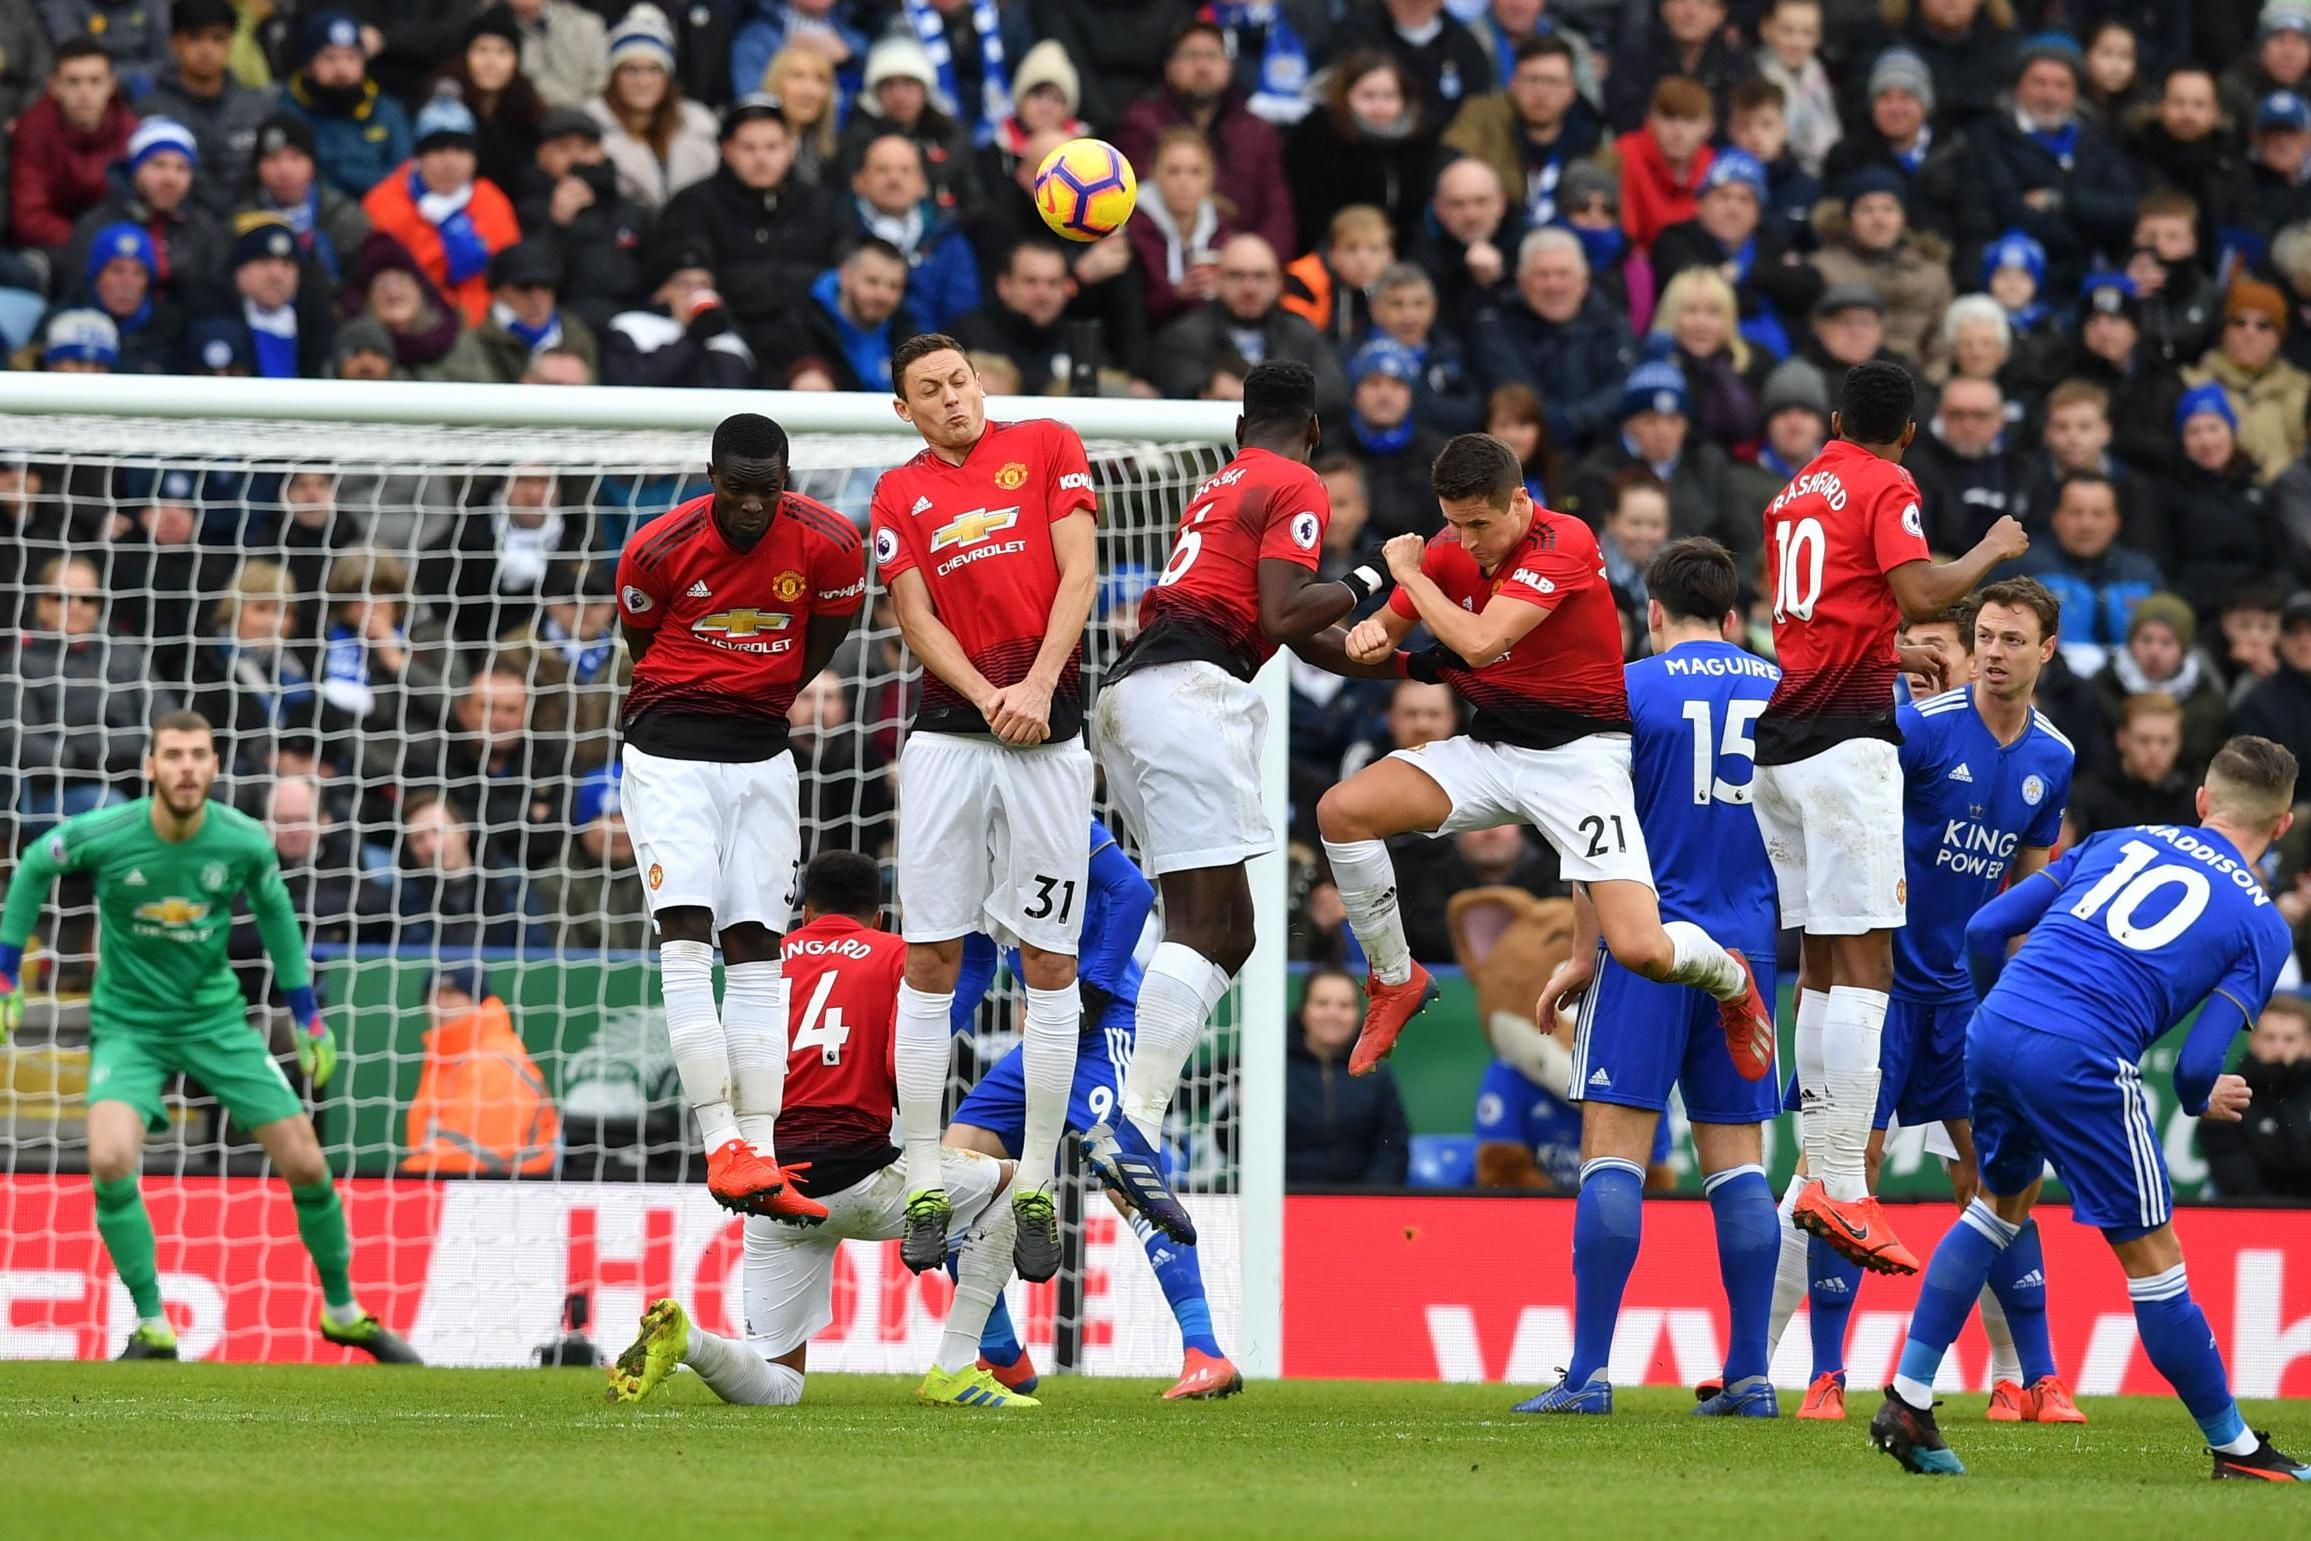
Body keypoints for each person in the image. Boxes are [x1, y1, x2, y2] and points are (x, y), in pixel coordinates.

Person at [1871, 736, 2311, 1482]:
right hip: (2080, 1057)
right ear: (2279, 827)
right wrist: (2204, 1098)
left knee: (1994, 1207)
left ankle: (1909, 1398)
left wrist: (1997, 1014)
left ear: (2202, 801)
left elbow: (1983, 930)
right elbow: (2200, 1064)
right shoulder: (2262, 924)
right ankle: (2236, 1448)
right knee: (2154, 1260)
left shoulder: (2119, 840)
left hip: (1996, 1025)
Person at [1304, 433, 1774, 1078]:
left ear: (1520, 503)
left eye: (1480, 524)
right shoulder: (1446, 551)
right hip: (1496, 748)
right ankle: (1394, 979)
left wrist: (1409, 571)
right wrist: (1367, 635)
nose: (1466, 540)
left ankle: (1731, 980)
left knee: (1642, 950)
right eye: (1453, 524)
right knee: (1342, 811)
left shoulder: (1566, 541)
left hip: (1581, 760)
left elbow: (1478, 641)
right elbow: (1386, 632)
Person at [0, 711, 418, 1365]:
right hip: (129, 1028)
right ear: (152, 767)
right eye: (173, 755)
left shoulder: (244, 839)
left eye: (198, 754)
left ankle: (342, 1311)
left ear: (215, 766)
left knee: (307, 1161)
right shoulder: (108, 833)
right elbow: (30, 864)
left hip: (217, 1024)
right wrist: (7, 975)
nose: (186, 766)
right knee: (109, 1159)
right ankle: (151, 1322)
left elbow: (278, 914)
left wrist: (307, 1013)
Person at [1772, 579, 2082, 1424]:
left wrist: (2026, 995)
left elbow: (2027, 889)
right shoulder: (1919, 726)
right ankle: (1824, 1376)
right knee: (1848, 1173)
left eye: (2012, 639)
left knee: (1996, 1175)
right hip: (1880, 989)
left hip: (1964, 1001)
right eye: (1984, 635)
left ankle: (2033, 1376)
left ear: (2046, 649)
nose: (1993, 650)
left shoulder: (2052, 757)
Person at [1092, 359, 1383, 1243]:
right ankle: (1130, 1128)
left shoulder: (1220, 483)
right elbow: (1288, 612)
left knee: (1228, 928)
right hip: (1188, 695)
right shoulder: (1295, 479)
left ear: (1237, 427)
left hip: (1133, 694)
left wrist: (1402, 651)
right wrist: (1380, 577)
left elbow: (1296, 631)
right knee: (1207, 926)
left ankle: (1129, 1121)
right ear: (1314, 433)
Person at [1752, 358, 2029, 1277]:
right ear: (1907, 430)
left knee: (1825, 960)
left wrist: (1887, 639)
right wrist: (1991, 550)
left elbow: (1819, 605)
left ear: (1833, 417)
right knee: (1870, 953)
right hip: (1844, 742)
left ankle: (1816, 1171)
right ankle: (1843, 1183)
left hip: (1782, 745)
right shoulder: (1887, 479)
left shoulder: (1793, 489)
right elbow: (1918, 592)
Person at [604, 850, 1033, 1412]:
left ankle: (690, 1341)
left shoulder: (761, 962)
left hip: (772, 1184)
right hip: (866, 1178)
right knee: (1018, 1181)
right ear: (878, 917)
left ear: (804, 913)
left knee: (778, 1386)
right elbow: (901, 1069)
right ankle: (958, 1365)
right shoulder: (897, 956)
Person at [1511, 537, 1784, 1418]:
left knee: (1614, 1152)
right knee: (1736, 1158)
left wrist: (1587, 950)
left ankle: (1589, 1372)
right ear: (1734, 617)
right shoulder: (1783, 692)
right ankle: (1748, 1374)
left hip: (1648, 943)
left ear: (1652, 614)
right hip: (1747, 950)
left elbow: (1594, 832)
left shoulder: (1624, 690)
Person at [868, 335, 1101, 1283]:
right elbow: (915, 618)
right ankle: (924, 1176)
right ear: (905, 410)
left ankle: (1037, 1180)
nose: (953, 398)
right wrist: (987, 695)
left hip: (1049, 732)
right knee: (930, 953)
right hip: (949, 738)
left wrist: (1038, 687)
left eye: (961, 379)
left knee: (1049, 958)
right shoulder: (897, 492)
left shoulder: (1047, 442)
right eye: (930, 390)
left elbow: (1078, 574)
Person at [612, 412, 865, 1226]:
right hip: (670, 755)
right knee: (686, 937)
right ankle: (718, 1137)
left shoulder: (830, 544)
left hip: (763, 757)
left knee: (758, 948)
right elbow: (640, 637)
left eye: (770, 489)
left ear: (787, 479)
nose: (754, 506)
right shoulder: (656, 548)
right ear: (712, 477)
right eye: (738, 489)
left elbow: (823, 638)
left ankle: (759, 1148)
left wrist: (757, 696)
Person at [947, 822, 1234, 1402]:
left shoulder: (1050, 815)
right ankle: (1002, 1355)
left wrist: (1094, 991)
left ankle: (1205, 1352)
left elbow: (1132, 890)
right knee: (956, 1165)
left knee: (1125, 1174)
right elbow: (976, 960)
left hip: (1106, 1021)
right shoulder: (967, 846)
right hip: (1048, 1032)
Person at [1113, 19, 1296, 260]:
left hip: (1243, 269)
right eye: (1190, 56)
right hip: (1163, 266)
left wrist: (1252, 261)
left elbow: (1278, 212)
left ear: (1229, 66)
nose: (1202, 66)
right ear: (1169, 66)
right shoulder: (1140, 124)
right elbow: (1134, 209)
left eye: (1212, 56)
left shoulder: (1258, 131)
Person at [360, 95, 521, 328]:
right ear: (419, 157)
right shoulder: (383, 203)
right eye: (438, 151)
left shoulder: (491, 200)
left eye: (461, 151)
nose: (450, 162)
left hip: (488, 326)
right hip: (415, 325)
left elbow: (510, 274)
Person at [138, 0, 271, 219]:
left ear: (230, 43)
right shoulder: (151, 111)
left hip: (247, 226)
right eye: (194, 38)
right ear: (174, 43)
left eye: (217, 38)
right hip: (176, 228)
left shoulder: (258, 109)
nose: (206, 49)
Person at [1285, 965, 1411, 1186]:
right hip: (1282, 1201)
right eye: (1322, 1003)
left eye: (1345, 1005)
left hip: (1359, 1206)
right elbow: (1237, 1146)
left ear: (1358, 1014)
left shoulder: (1376, 1075)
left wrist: (1368, 1200)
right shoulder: (1271, 1071)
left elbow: (1393, 1148)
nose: (1333, 1014)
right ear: (1303, 1011)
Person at [588, 4, 718, 212]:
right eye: (631, 70)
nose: (643, 81)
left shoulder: (699, 128)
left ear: (668, 77)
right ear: (614, 77)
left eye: (653, 70)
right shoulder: (591, 131)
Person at [274, 11, 414, 202]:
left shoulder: (387, 110)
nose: (341, 69)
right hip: (316, 214)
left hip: (380, 211)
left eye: (351, 58)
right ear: (308, 64)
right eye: (329, 58)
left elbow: (404, 174)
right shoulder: (287, 111)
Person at [2199, 997, 2311, 1200]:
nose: (2279, 1048)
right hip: (2255, 1222)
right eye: (2270, 1037)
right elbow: (2237, 1185)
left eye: (2290, 1039)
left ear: (2308, 1043)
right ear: (2253, 1040)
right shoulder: (2229, 1100)